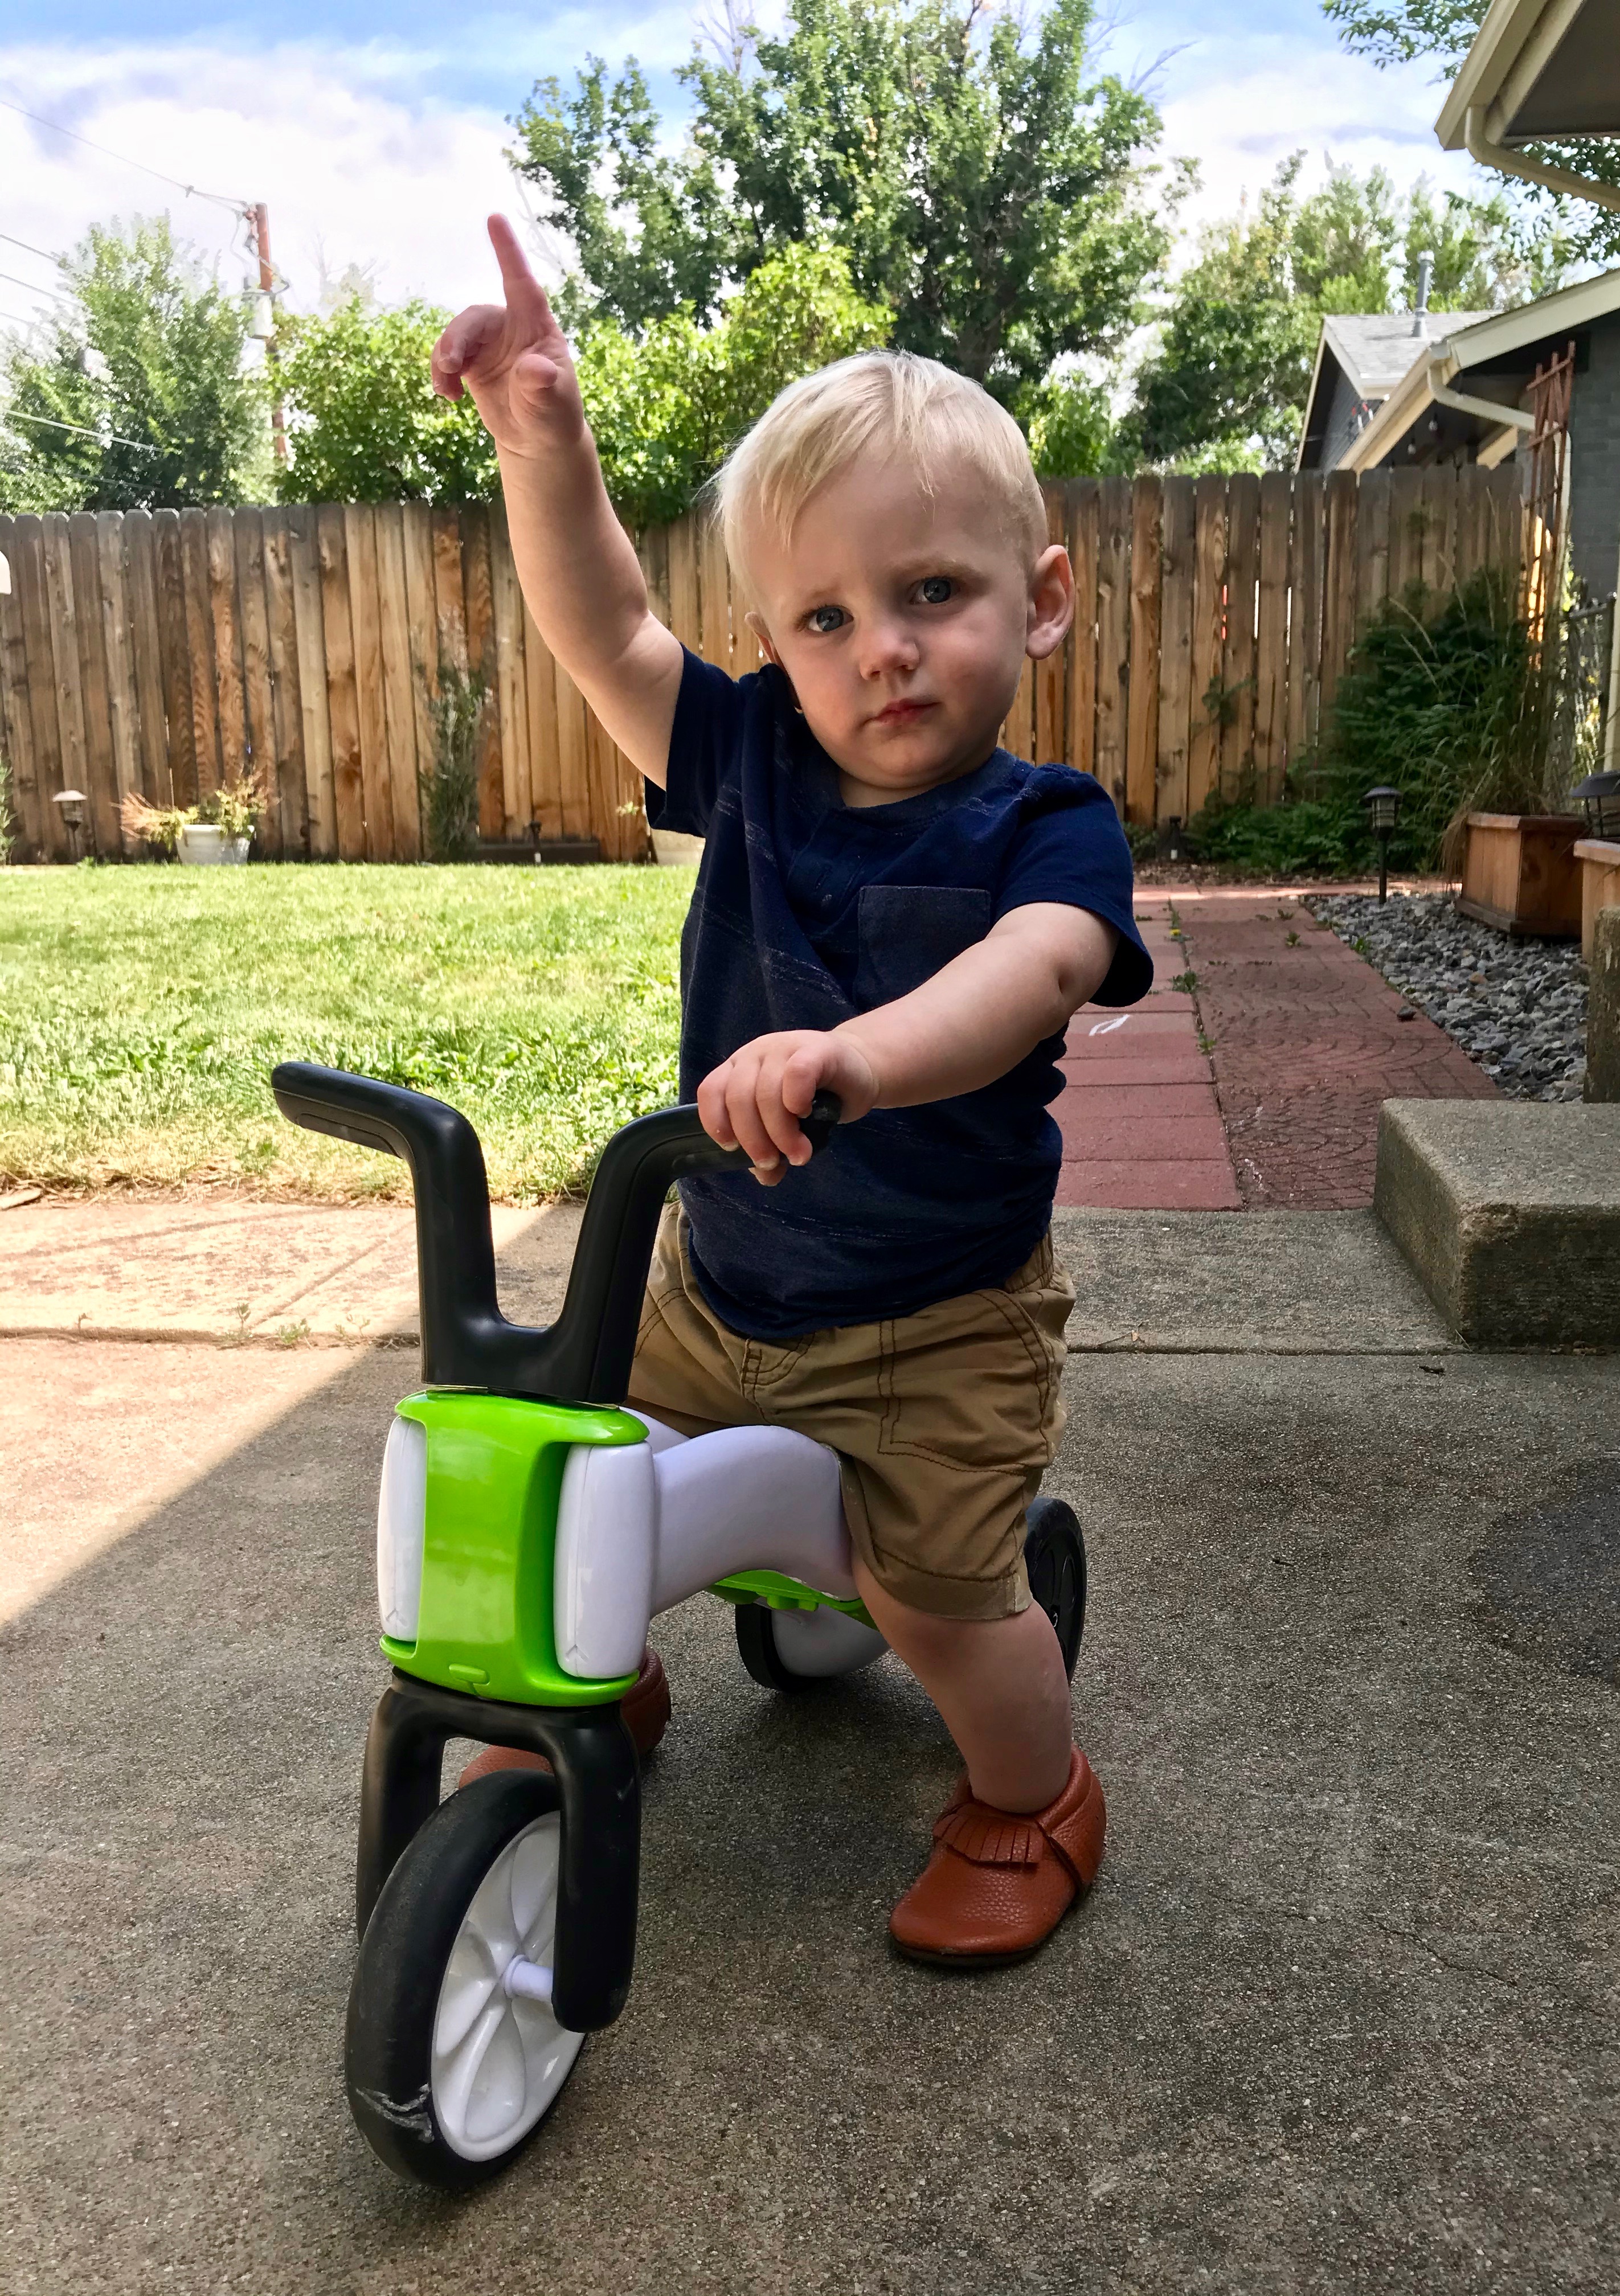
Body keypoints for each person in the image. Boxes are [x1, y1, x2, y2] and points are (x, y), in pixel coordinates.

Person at [432, 216, 1152, 1967]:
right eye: (822, 616)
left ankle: (1033, 1795)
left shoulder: (1045, 827)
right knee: (576, 1492)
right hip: (719, 1289)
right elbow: (606, 632)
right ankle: (591, 1686)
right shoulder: (751, 751)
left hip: (938, 1316)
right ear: (775, 636)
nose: (878, 651)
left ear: (1038, 600)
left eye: (931, 594)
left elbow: (1029, 978)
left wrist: (851, 1059)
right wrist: (548, 445)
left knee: (928, 1591)